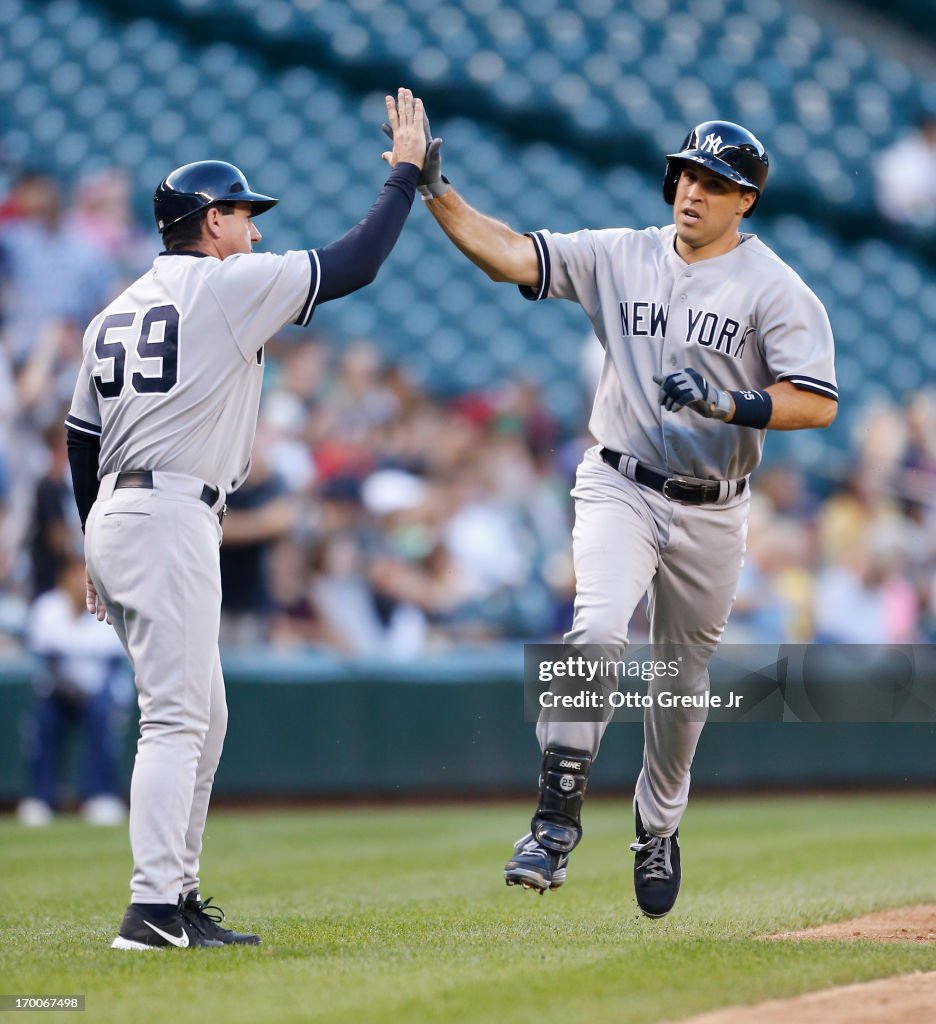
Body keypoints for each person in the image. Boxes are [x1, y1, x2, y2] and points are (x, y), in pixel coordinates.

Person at [413, 117, 837, 916]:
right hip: (620, 483)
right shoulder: (621, 254)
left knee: (680, 690)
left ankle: (657, 823)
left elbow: (815, 401)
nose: (691, 191)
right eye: (684, 174)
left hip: (713, 509)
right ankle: (554, 819)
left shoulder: (777, 288)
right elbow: (512, 255)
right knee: (598, 627)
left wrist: (730, 402)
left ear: (746, 199)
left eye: (712, 183)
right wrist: (436, 190)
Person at [65, 87, 427, 949]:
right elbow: (355, 263)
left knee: (204, 714)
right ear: (211, 221)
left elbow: (82, 438)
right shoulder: (224, 288)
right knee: (177, 717)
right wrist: (406, 176)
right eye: (244, 214)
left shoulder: (115, 309)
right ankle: (150, 909)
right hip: (164, 513)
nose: (256, 229)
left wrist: (89, 538)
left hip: (127, 510)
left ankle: (178, 899)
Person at [17, 551, 129, 827]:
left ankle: (101, 795)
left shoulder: (110, 608)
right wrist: (66, 689)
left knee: (103, 713)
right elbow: (45, 661)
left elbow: (114, 667)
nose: (82, 580)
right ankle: (41, 798)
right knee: (43, 718)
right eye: (76, 573)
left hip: (98, 694)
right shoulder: (48, 608)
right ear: (64, 577)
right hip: (58, 693)